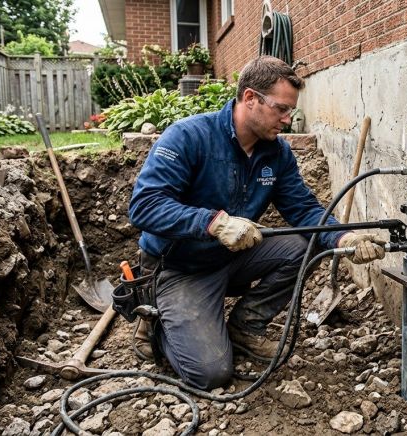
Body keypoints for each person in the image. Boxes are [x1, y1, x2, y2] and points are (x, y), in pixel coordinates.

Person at [128, 55, 386, 389]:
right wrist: (214, 223)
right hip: (180, 266)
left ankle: (245, 325)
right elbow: (145, 206)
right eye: (281, 109)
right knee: (211, 373)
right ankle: (156, 321)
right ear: (250, 98)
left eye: (290, 110)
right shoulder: (188, 137)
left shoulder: (276, 153)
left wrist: (343, 239)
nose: (288, 119)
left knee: (305, 244)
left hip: (230, 257)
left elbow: (303, 209)